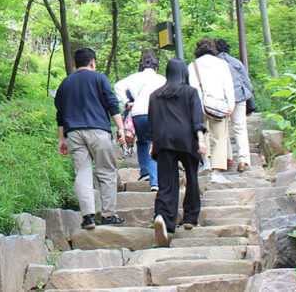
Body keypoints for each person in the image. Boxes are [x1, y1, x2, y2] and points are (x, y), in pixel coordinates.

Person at [54, 47, 127, 230]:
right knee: (106, 171)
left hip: (74, 134)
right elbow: (112, 104)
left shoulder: (65, 84)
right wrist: (121, 128)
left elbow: (60, 114)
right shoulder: (100, 78)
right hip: (99, 131)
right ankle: (108, 215)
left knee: (82, 174)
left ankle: (88, 216)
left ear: (75, 64)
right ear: (93, 62)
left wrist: (61, 139)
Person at [148, 57, 207, 247]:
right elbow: (197, 118)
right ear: (184, 73)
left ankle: (163, 217)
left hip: (164, 141)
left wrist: (151, 144)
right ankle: (190, 217)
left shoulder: (155, 95)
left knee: (166, 181)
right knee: (192, 177)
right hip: (186, 139)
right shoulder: (190, 92)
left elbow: (152, 123)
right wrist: (202, 140)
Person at [114, 53, 166, 190]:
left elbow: (118, 86)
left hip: (138, 113)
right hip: (157, 113)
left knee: (142, 141)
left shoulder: (134, 77)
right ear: (156, 68)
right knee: (156, 144)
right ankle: (155, 182)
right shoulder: (161, 79)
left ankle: (145, 172)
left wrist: (126, 102)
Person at [188, 38, 236, 180]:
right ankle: (216, 171)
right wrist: (231, 105)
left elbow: (191, 87)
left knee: (204, 134)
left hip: (199, 105)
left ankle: (206, 162)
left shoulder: (193, 66)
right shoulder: (221, 64)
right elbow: (228, 85)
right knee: (220, 137)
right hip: (219, 105)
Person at [215, 38, 255, 172]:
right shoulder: (236, 62)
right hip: (239, 97)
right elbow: (248, 84)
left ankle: (227, 158)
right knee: (240, 128)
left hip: (222, 99)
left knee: (223, 128)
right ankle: (243, 160)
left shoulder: (215, 63)